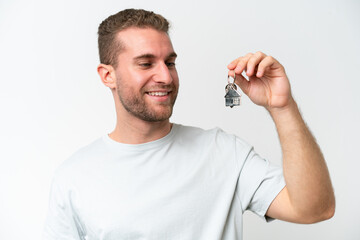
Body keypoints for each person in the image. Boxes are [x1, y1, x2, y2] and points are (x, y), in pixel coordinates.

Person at [43, 8, 335, 240]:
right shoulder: (74, 178)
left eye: (169, 62)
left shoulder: (223, 152)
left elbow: (315, 208)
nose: (166, 77)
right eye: (146, 63)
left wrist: (282, 107)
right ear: (108, 76)